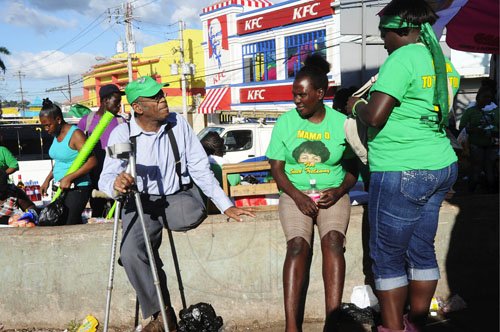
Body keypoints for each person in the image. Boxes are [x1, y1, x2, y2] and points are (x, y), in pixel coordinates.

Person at [98, 76, 255, 332]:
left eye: (162, 94)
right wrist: (116, 183)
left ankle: (152, 242)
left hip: (176, 197)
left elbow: (199, 168)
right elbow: (107, 176)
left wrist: (226, 205)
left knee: (193, 213)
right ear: (138, 107)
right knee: (129, 253)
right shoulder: (121, 133)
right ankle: (161, 314)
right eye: (155, 98)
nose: (163, 100)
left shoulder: (177, 124)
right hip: (140, 201)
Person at [346, 0, 460, 330]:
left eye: (384, 33)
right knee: (421, 248)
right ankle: (417, 323)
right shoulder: (441, 61)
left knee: (387, 255)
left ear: (403, 30)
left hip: (402, 168)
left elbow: (376, 114)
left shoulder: (402, 59)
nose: (382, 40)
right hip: (439, 164)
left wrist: (356, 105)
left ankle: (393, 327)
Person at [266, 54, 358, 332]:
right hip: (295, 193)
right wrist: (297, 196)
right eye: (294, 95)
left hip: (333, 193)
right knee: (297, 247)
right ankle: (292, 326)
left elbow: (353, 168)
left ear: (320, 94)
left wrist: (340, 189)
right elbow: (277, 169)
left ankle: (333, 321)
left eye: (302, 95)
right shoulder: (286, 123)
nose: (297, 100)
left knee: (332, 242)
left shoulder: (342, 123)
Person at [39, 98, 97, 225]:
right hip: (61, 188)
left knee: (68, 224)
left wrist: (70, 177)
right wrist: (47, 180)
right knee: (58, 222)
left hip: (77, 188)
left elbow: (92, 161)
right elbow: (60, 161)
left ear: (58, 120)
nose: (46, 129)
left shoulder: (76, 135)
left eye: (48, 125)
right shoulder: (56, 135)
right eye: (44, 126)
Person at [77, 84, 126, 217]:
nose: (119, 106)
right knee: (97, 211)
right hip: (94, 175)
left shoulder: (122, 122)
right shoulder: (86, 121)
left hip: (117, 176)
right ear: (105, 101)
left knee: (119, 212)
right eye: (116, 102)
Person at [459, 85, 499, 193]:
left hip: (492, 145)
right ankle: (472, 192)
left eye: (489, 97)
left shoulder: (496, 111)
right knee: (477, 168)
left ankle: (489, 192)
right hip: (476, 144)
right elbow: (462, 127)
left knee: (489, 168)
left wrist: (494, 132)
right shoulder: (470, 111)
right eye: (484, 97)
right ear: (478, 98)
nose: (487, 100)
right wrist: (473, 129)